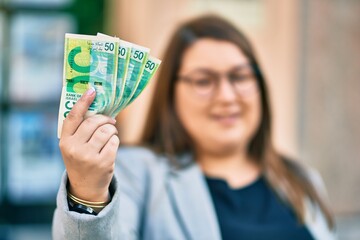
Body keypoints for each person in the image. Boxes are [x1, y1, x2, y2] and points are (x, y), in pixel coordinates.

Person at [53, 15, 336, 239]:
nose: (226, 96)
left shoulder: (302, 180)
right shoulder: (132, 174)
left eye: (239, 77)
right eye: (203, 81)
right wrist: (88, 192)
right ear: (171, 95)